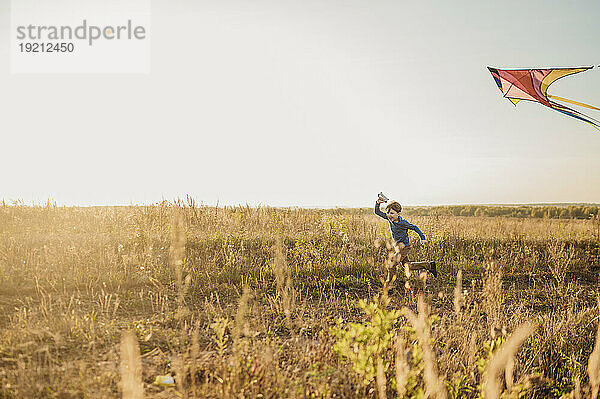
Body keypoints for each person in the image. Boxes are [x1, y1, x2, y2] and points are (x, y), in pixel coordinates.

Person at [375, 195, 437, 277]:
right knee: (408, 266)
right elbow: (377, 212)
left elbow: (414, 227)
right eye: (388, 213)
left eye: (392, 213)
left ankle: (389, 284)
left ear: (398, 214)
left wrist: (422, 238)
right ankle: (429, 265)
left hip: (404, 247)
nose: (389, 215)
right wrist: (378, 203)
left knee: (392, 264)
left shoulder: (403, 223)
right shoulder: (389, 218)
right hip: (397, 247)